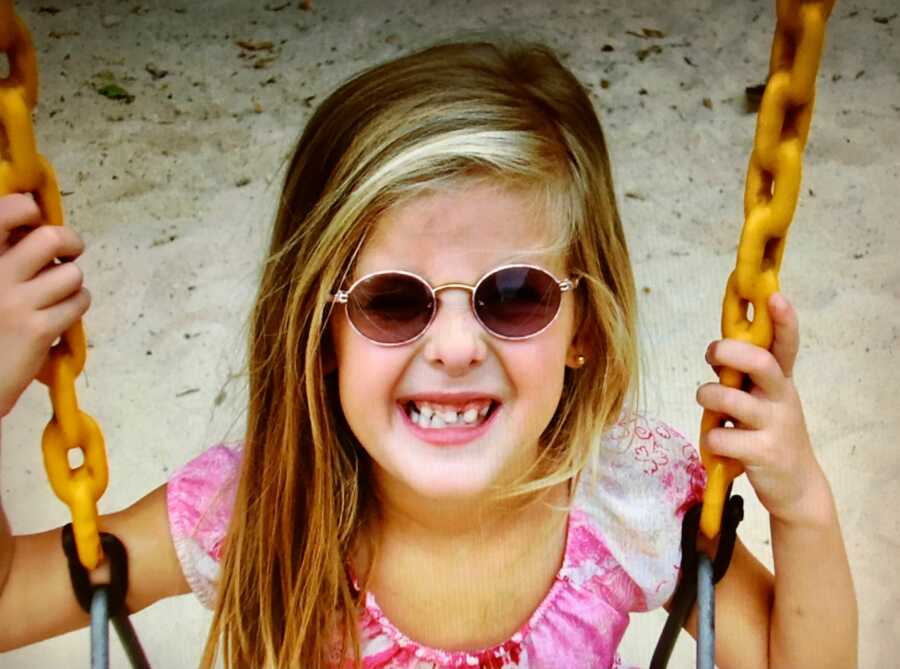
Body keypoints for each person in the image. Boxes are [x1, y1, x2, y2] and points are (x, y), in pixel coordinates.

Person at [0, 39, 857, 669]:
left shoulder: (625, 500)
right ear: (318, 332)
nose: (453, 347)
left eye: (515, 295)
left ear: (584, 326)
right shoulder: (256, 511)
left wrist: (804, 507)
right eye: (392, 300)